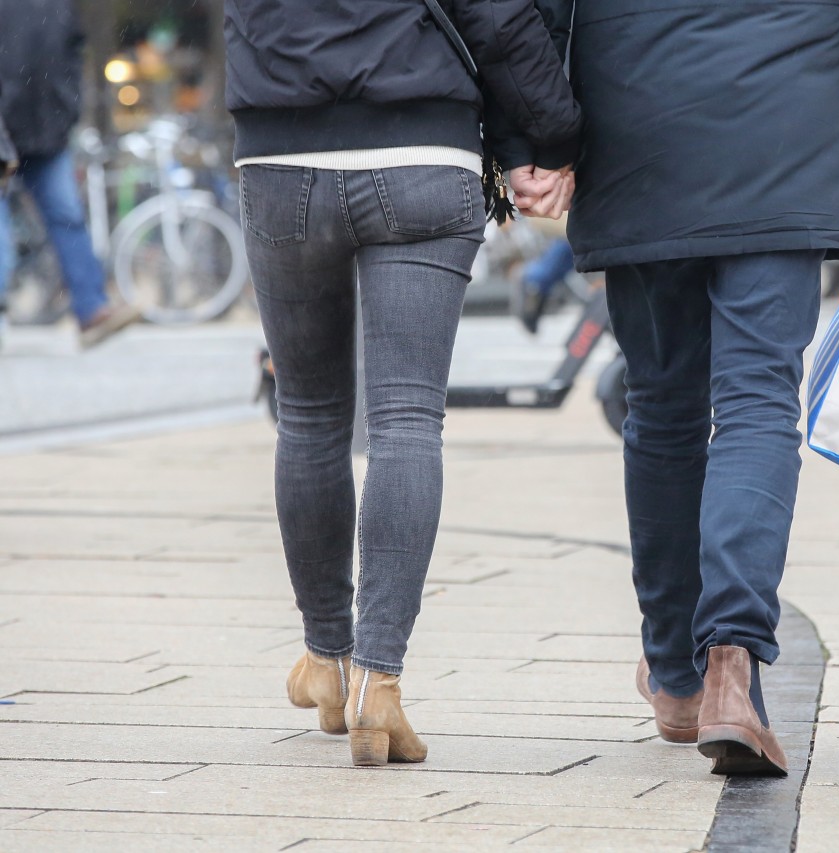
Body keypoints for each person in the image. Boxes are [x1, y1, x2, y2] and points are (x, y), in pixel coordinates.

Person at [512, 0, 839, 775]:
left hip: (638, 131)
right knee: (758, 400)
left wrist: (539, 139)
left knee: (663, 408)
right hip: (783, 135)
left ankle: (676, 675)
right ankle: (732, 660)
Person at [225, 0, 580, 767]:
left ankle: (326, 658)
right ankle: (377, 684)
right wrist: (549, 136)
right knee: (407, 420)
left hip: (280, 149)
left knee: (310, 414)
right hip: (422, 146)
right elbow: (500, 14)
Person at [0, 0, 141, 349]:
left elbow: (73, 53)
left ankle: (92, 309)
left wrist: (68, 107)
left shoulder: (58, 4)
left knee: (68, 217)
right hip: (11, 128)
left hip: (48, 131)